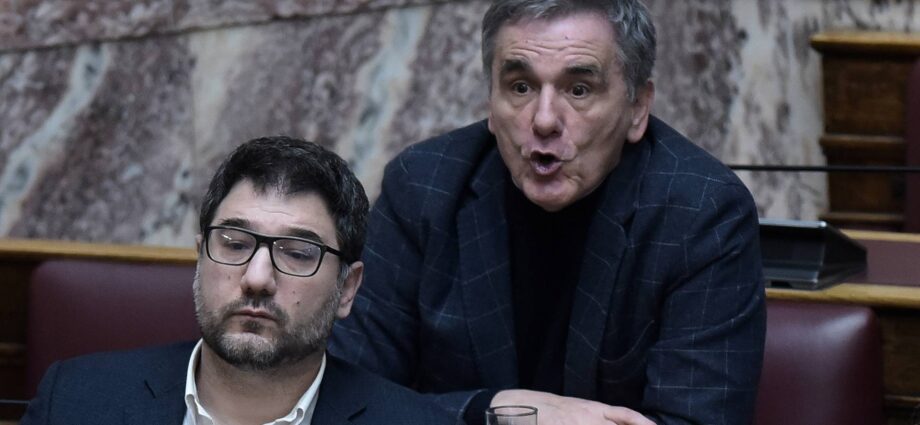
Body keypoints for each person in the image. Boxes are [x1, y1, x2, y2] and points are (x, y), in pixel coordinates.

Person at [329, 1, 766, 424]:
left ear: (638, 108)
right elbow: (347, 398)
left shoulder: (702, 212)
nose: (543, 120)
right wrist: (497, 410)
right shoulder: (424, 188)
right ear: (491, 103)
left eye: (579, 90)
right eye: (520, 87)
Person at [21, 137, 454, 425]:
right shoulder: (74, 401)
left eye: (297, 253)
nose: (257, 278)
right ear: (200, 259)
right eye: (234, 244)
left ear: (347, 289)